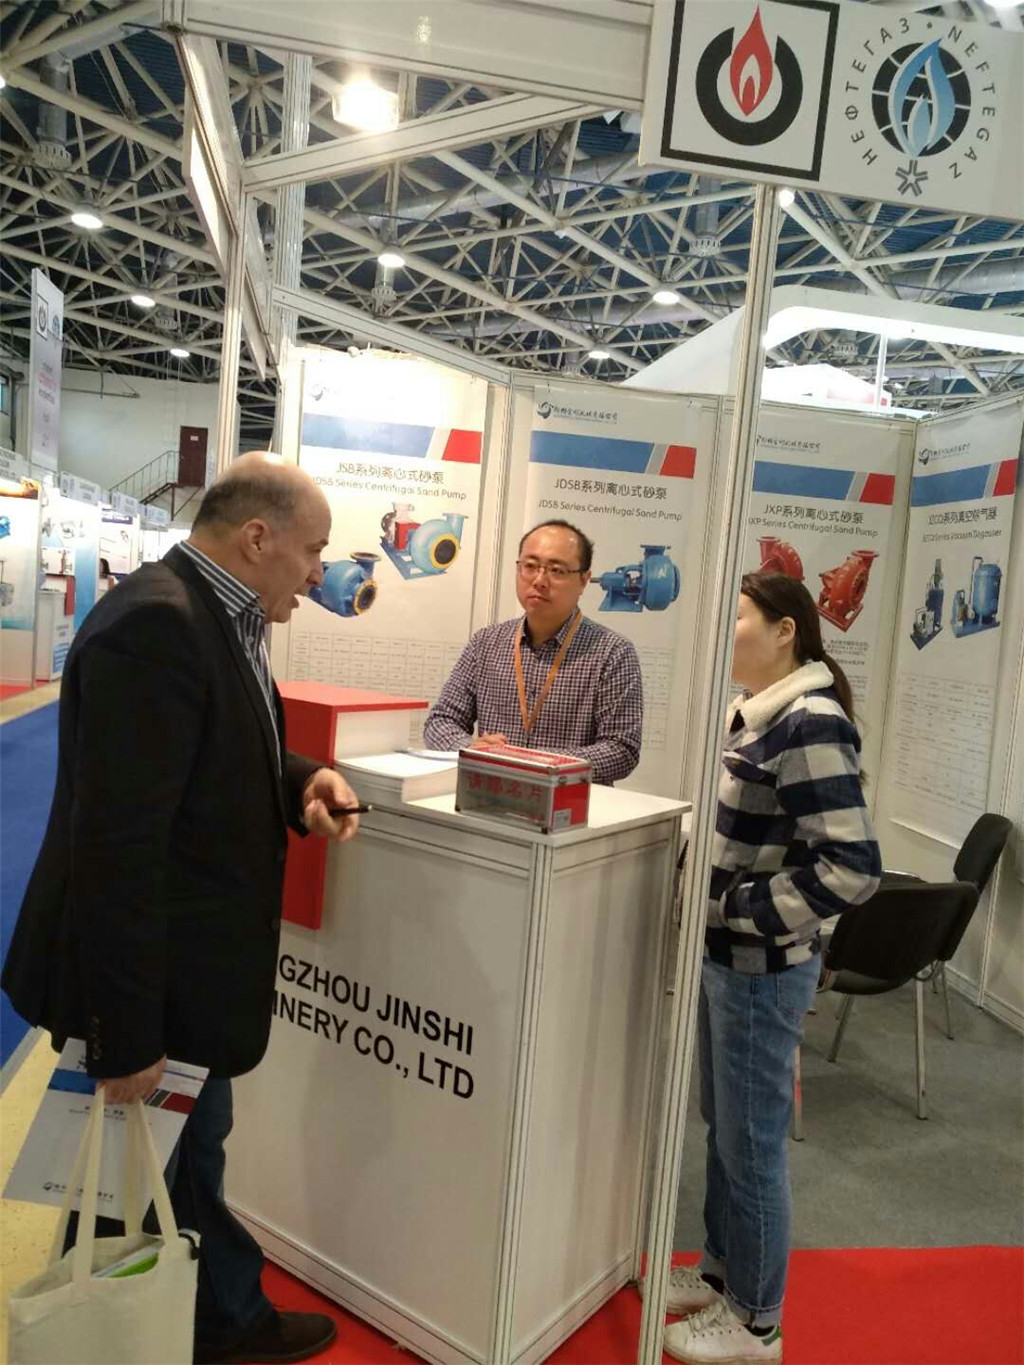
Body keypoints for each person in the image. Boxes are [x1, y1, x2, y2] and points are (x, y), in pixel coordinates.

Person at [2, 453, 363, 1365]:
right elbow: (117, 847)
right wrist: (124, 1035)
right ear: (258, 538)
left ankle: (217, 1318)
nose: (318, 572)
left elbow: (216, 752)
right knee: (131, 1182)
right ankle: (117, 1338)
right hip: (148, 986)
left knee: (180, 1158)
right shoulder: (158, 626)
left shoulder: (214, 614)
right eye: (312, 550)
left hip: (184, 977)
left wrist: (300, 781)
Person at [661, 571, 881, 1365]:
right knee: (726, 1131)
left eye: (742, 615)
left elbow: (852, 867)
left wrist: (737, 907)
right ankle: (723, 1275)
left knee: (752, 1144)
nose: (729, 628)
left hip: (760, 965)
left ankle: (757, 1322)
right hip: (727, 960)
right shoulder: (760, 713)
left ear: (785, 630)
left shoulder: (809, 722)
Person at [423, 519, 642, 784]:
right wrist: (469, 749)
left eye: (556, 570)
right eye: (530, 566)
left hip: (570, 802)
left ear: (584, 580)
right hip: (489, 795)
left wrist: (536, 762)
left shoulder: (612, 652)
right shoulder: (486, 643)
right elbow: (441, 720)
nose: (539, 580)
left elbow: (622, 749)